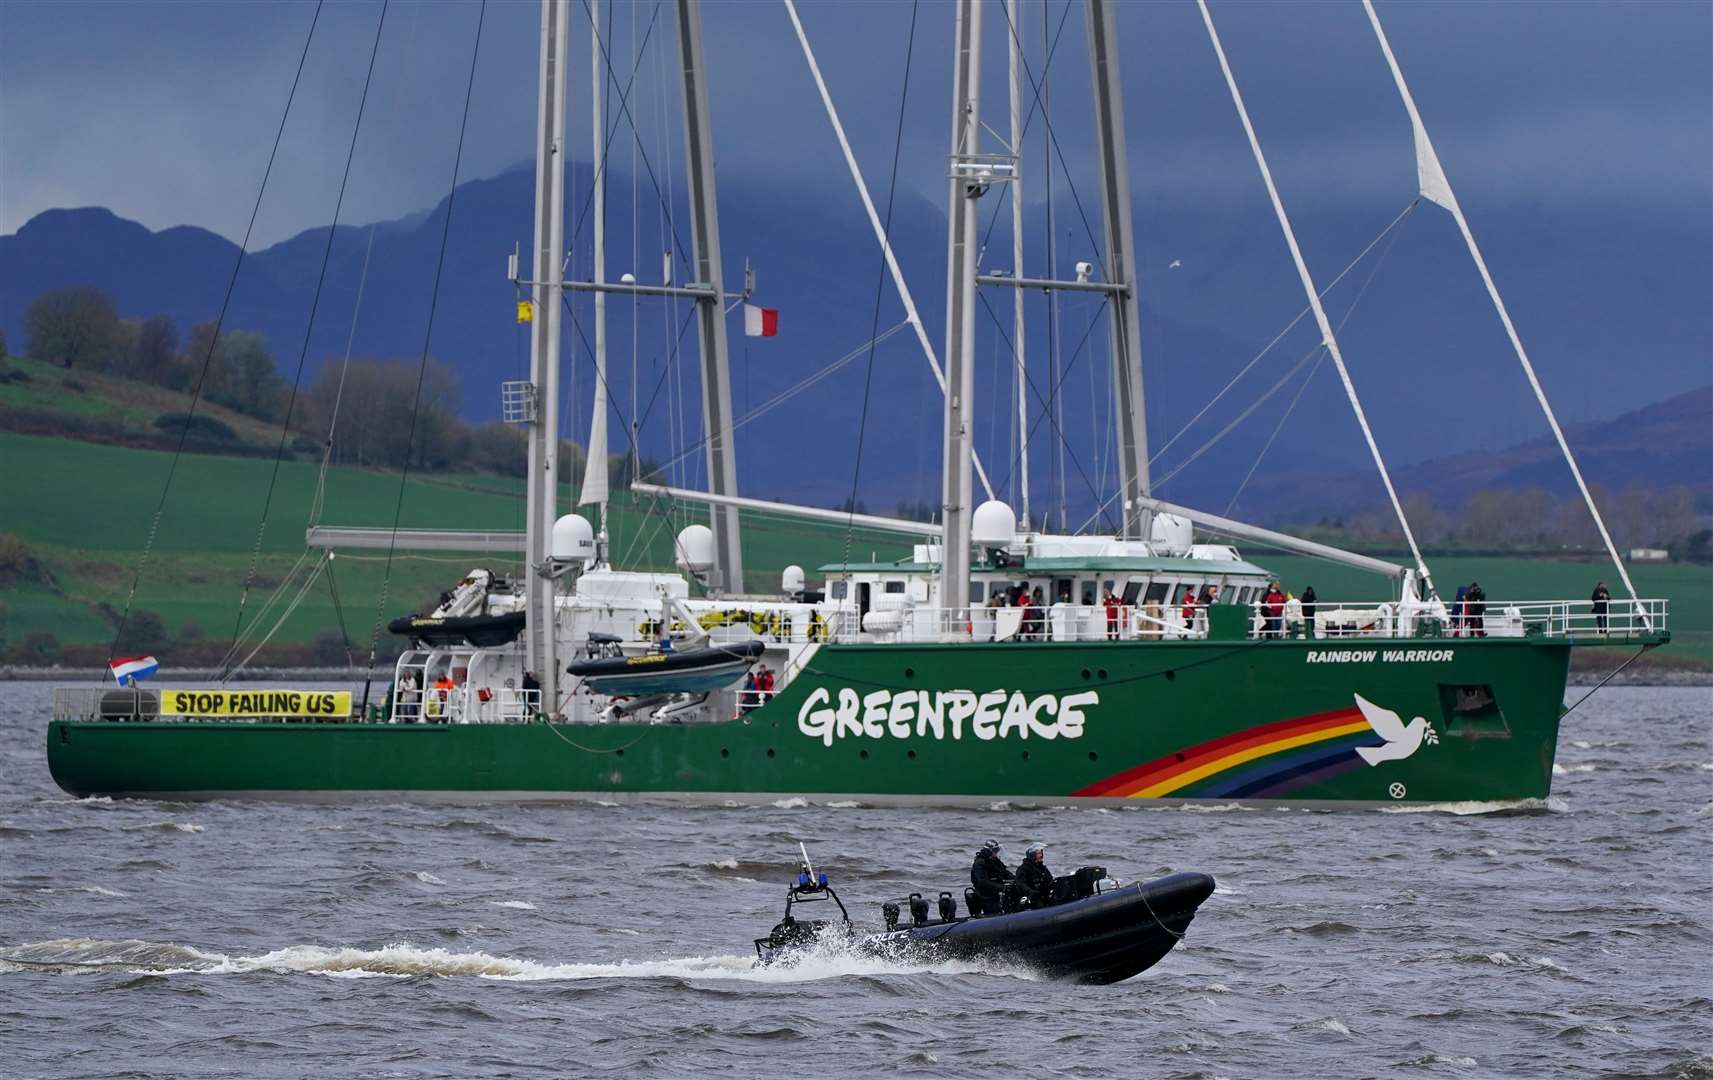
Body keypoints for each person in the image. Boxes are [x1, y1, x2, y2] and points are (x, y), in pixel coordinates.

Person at [969, 839, 1013, 916]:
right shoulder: (980, 863)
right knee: (994, 911)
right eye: (995, 851)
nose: (996, 853)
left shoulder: (995, 861)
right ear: (989, 851)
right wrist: (1002, 887)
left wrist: (1016, 879)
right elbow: (983, 882)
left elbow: (1004, 872)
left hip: (996, 893)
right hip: (985, 896)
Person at [1012, 841, 1056, 909]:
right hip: (1032, 898)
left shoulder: (1042, 868)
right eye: (1038, 853)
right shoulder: (1023, 869)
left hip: (1043, 895)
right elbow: (1020, 884)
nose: (1041, 855)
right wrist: (1031, 892)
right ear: (1032, 855)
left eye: (1041, 853)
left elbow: (1050, 880)